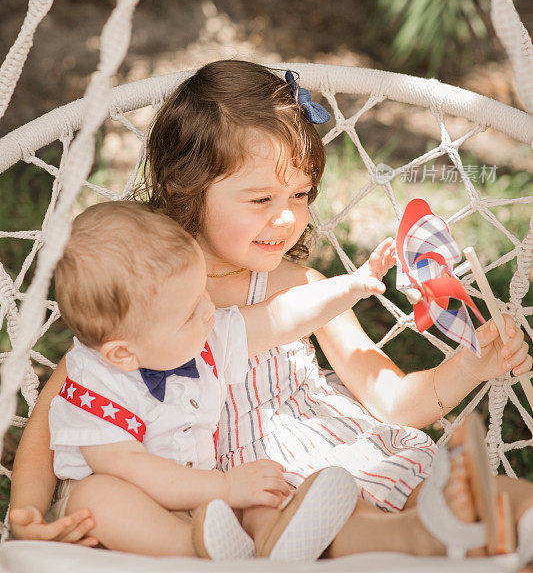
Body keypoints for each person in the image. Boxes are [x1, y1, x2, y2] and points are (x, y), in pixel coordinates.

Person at [9, 60, 533, 560]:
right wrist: (25, 513)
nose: (288, 217)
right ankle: (418, 539)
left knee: (486, 496)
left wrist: (469, 365)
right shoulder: (149, 306)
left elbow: (392, 401)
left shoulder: (304, 288)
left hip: (345, 450)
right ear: (184, 190)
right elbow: (53, 416)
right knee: (322, 519)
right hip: (264, 486)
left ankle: (488, 524)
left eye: (301, 194)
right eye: (261, 199)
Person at [46, 198, 390, 559]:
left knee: (258, 485)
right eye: (190, 312)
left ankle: (273, 536)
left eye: (202, 293)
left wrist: (350, 286)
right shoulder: (94, 387)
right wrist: (224, 486)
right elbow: (134, 470)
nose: (210, 309)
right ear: (123, 353)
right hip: (134, 511)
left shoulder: (200, 337)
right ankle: (197, 551)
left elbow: (280, 318)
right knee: (97, 499)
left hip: (202, 499)